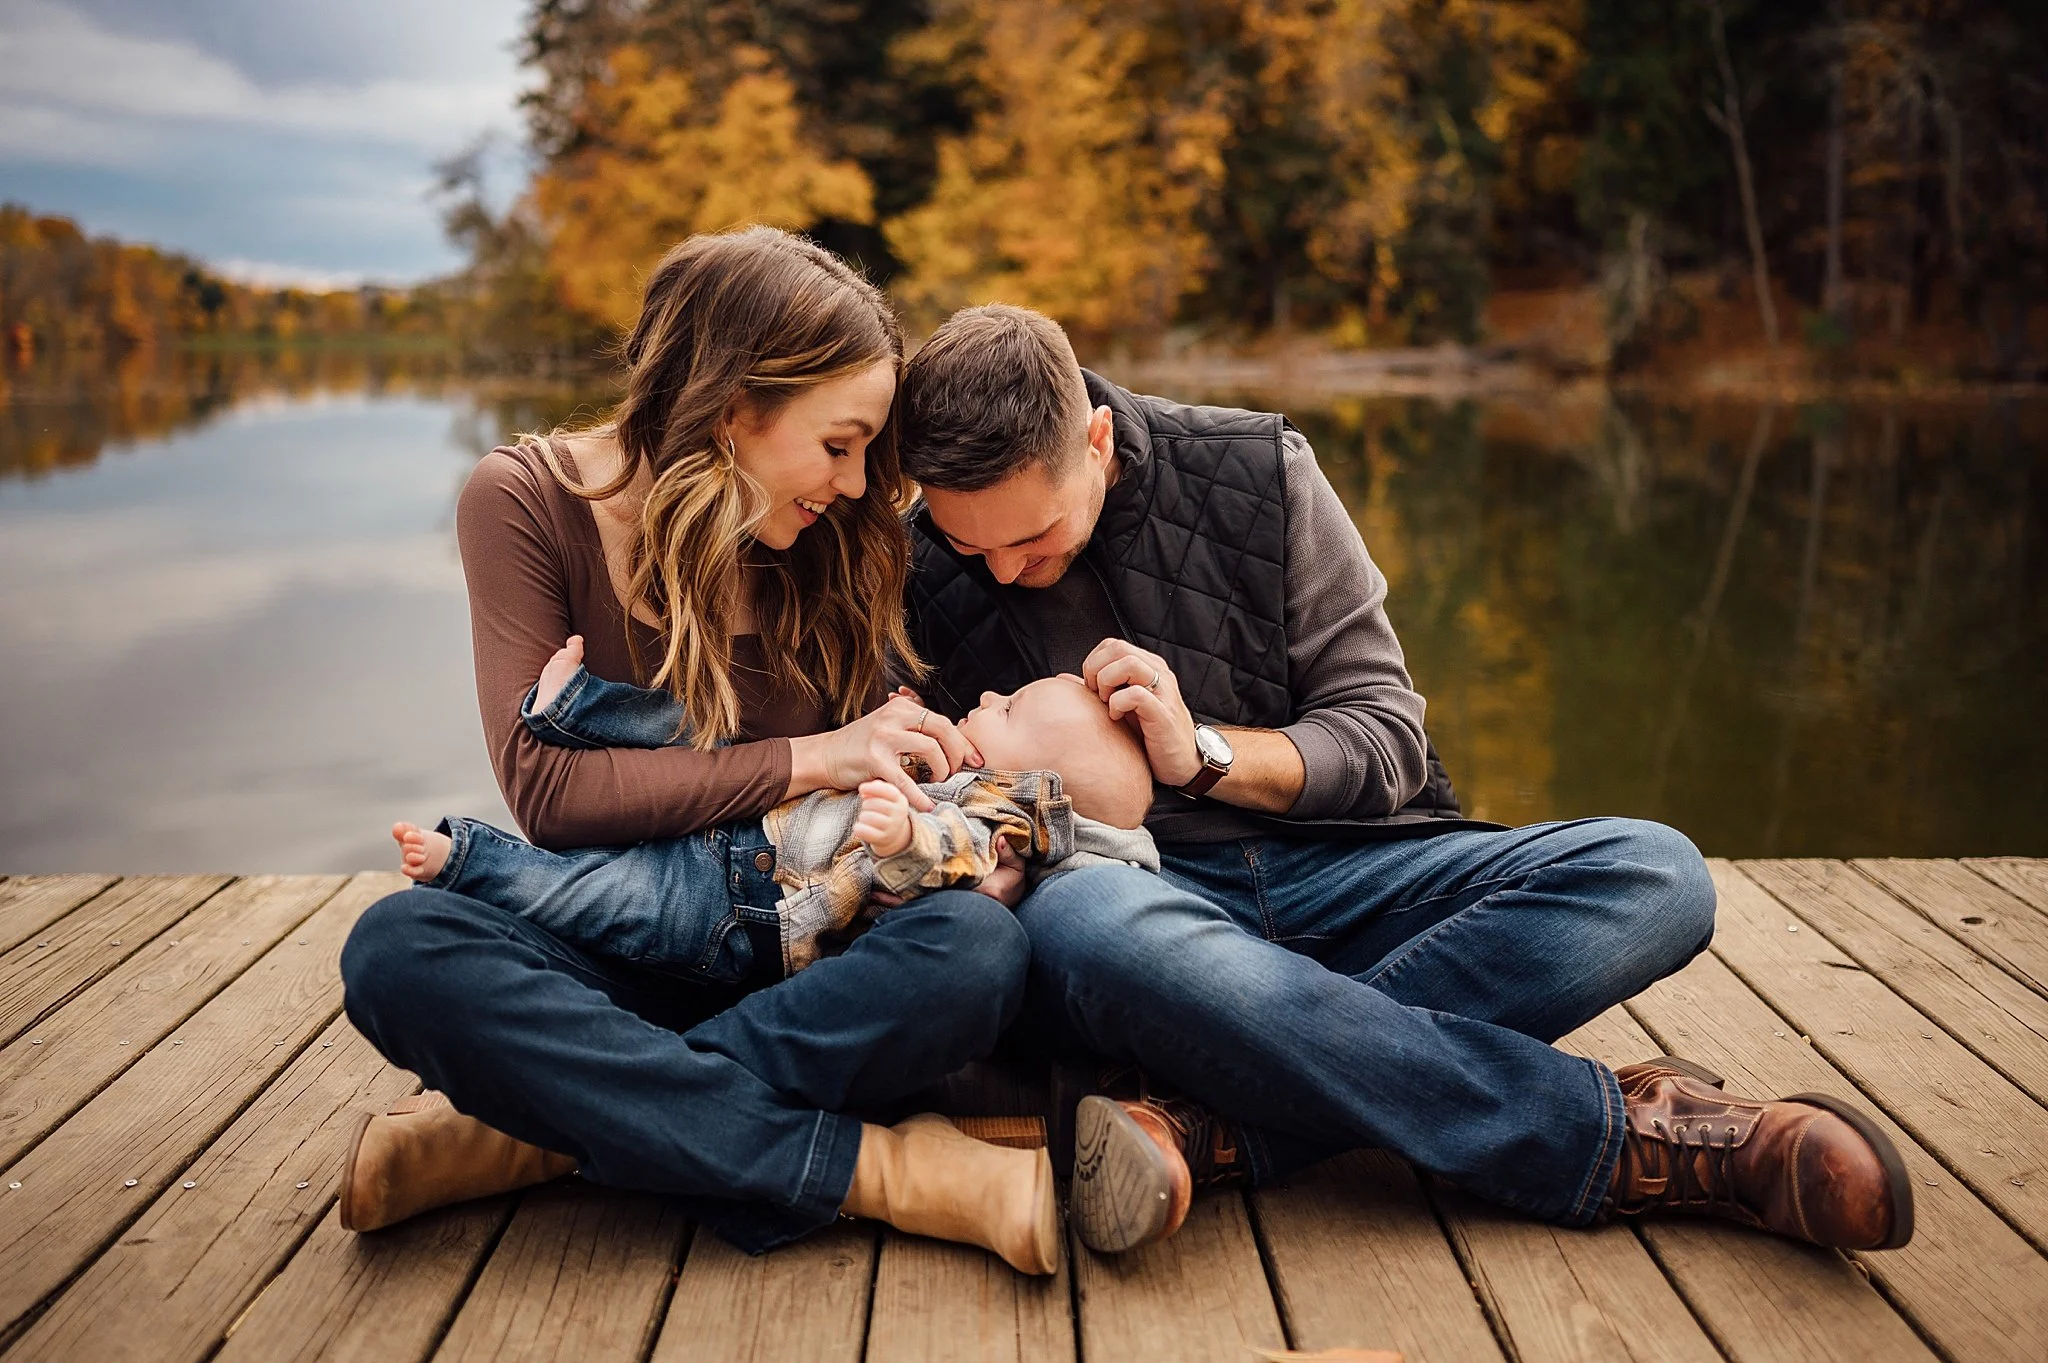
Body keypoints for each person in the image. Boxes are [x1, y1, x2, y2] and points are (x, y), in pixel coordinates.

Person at [895, 303, 1915, 1256]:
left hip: (1340, 871)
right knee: (1084, 924)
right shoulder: (909, 564)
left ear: (1097, 442)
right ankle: (1645, 1142)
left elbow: (1384, 740)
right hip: (1134, 911)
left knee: (1657, 876)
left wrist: (1202, 752)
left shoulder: (1257, 471)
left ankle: (1217, 1121)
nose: (999, 571)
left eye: (1030, 538)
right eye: (969, 543)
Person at [336, 230, 1063, 1277]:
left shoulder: (828, 536)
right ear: (734, 407)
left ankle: (535, 1139)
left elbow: (881, 780)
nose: (859, 482)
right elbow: (549, 792)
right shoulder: (523, 501)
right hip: (619, 947)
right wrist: (814, 756)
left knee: (977, 951)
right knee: (399, 949)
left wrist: (951, 837)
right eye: (839, 444)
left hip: (805, 960)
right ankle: (884, 1172)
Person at [389, 651, 1158, 977]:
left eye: (1008, 707)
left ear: (1027, 780)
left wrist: (905, 836)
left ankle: (470, 860)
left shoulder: (1000, 815)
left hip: (750, 909)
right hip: (757, 830)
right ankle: (579, 705)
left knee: (604, 894)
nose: (988, 695)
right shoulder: (957, 764)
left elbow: (954, 850)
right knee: (705, 728)